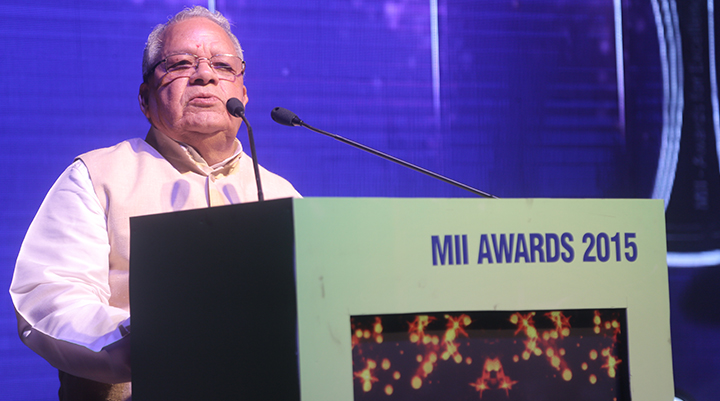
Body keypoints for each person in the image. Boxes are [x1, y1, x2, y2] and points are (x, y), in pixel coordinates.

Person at [9, 6, 300, 401]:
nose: (205, 75)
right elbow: (47, 295)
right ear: (145, 98)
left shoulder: (281, 194)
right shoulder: (97, 177)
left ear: (243, 95)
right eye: (180, 64)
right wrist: (148, 341)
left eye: (222, 65)